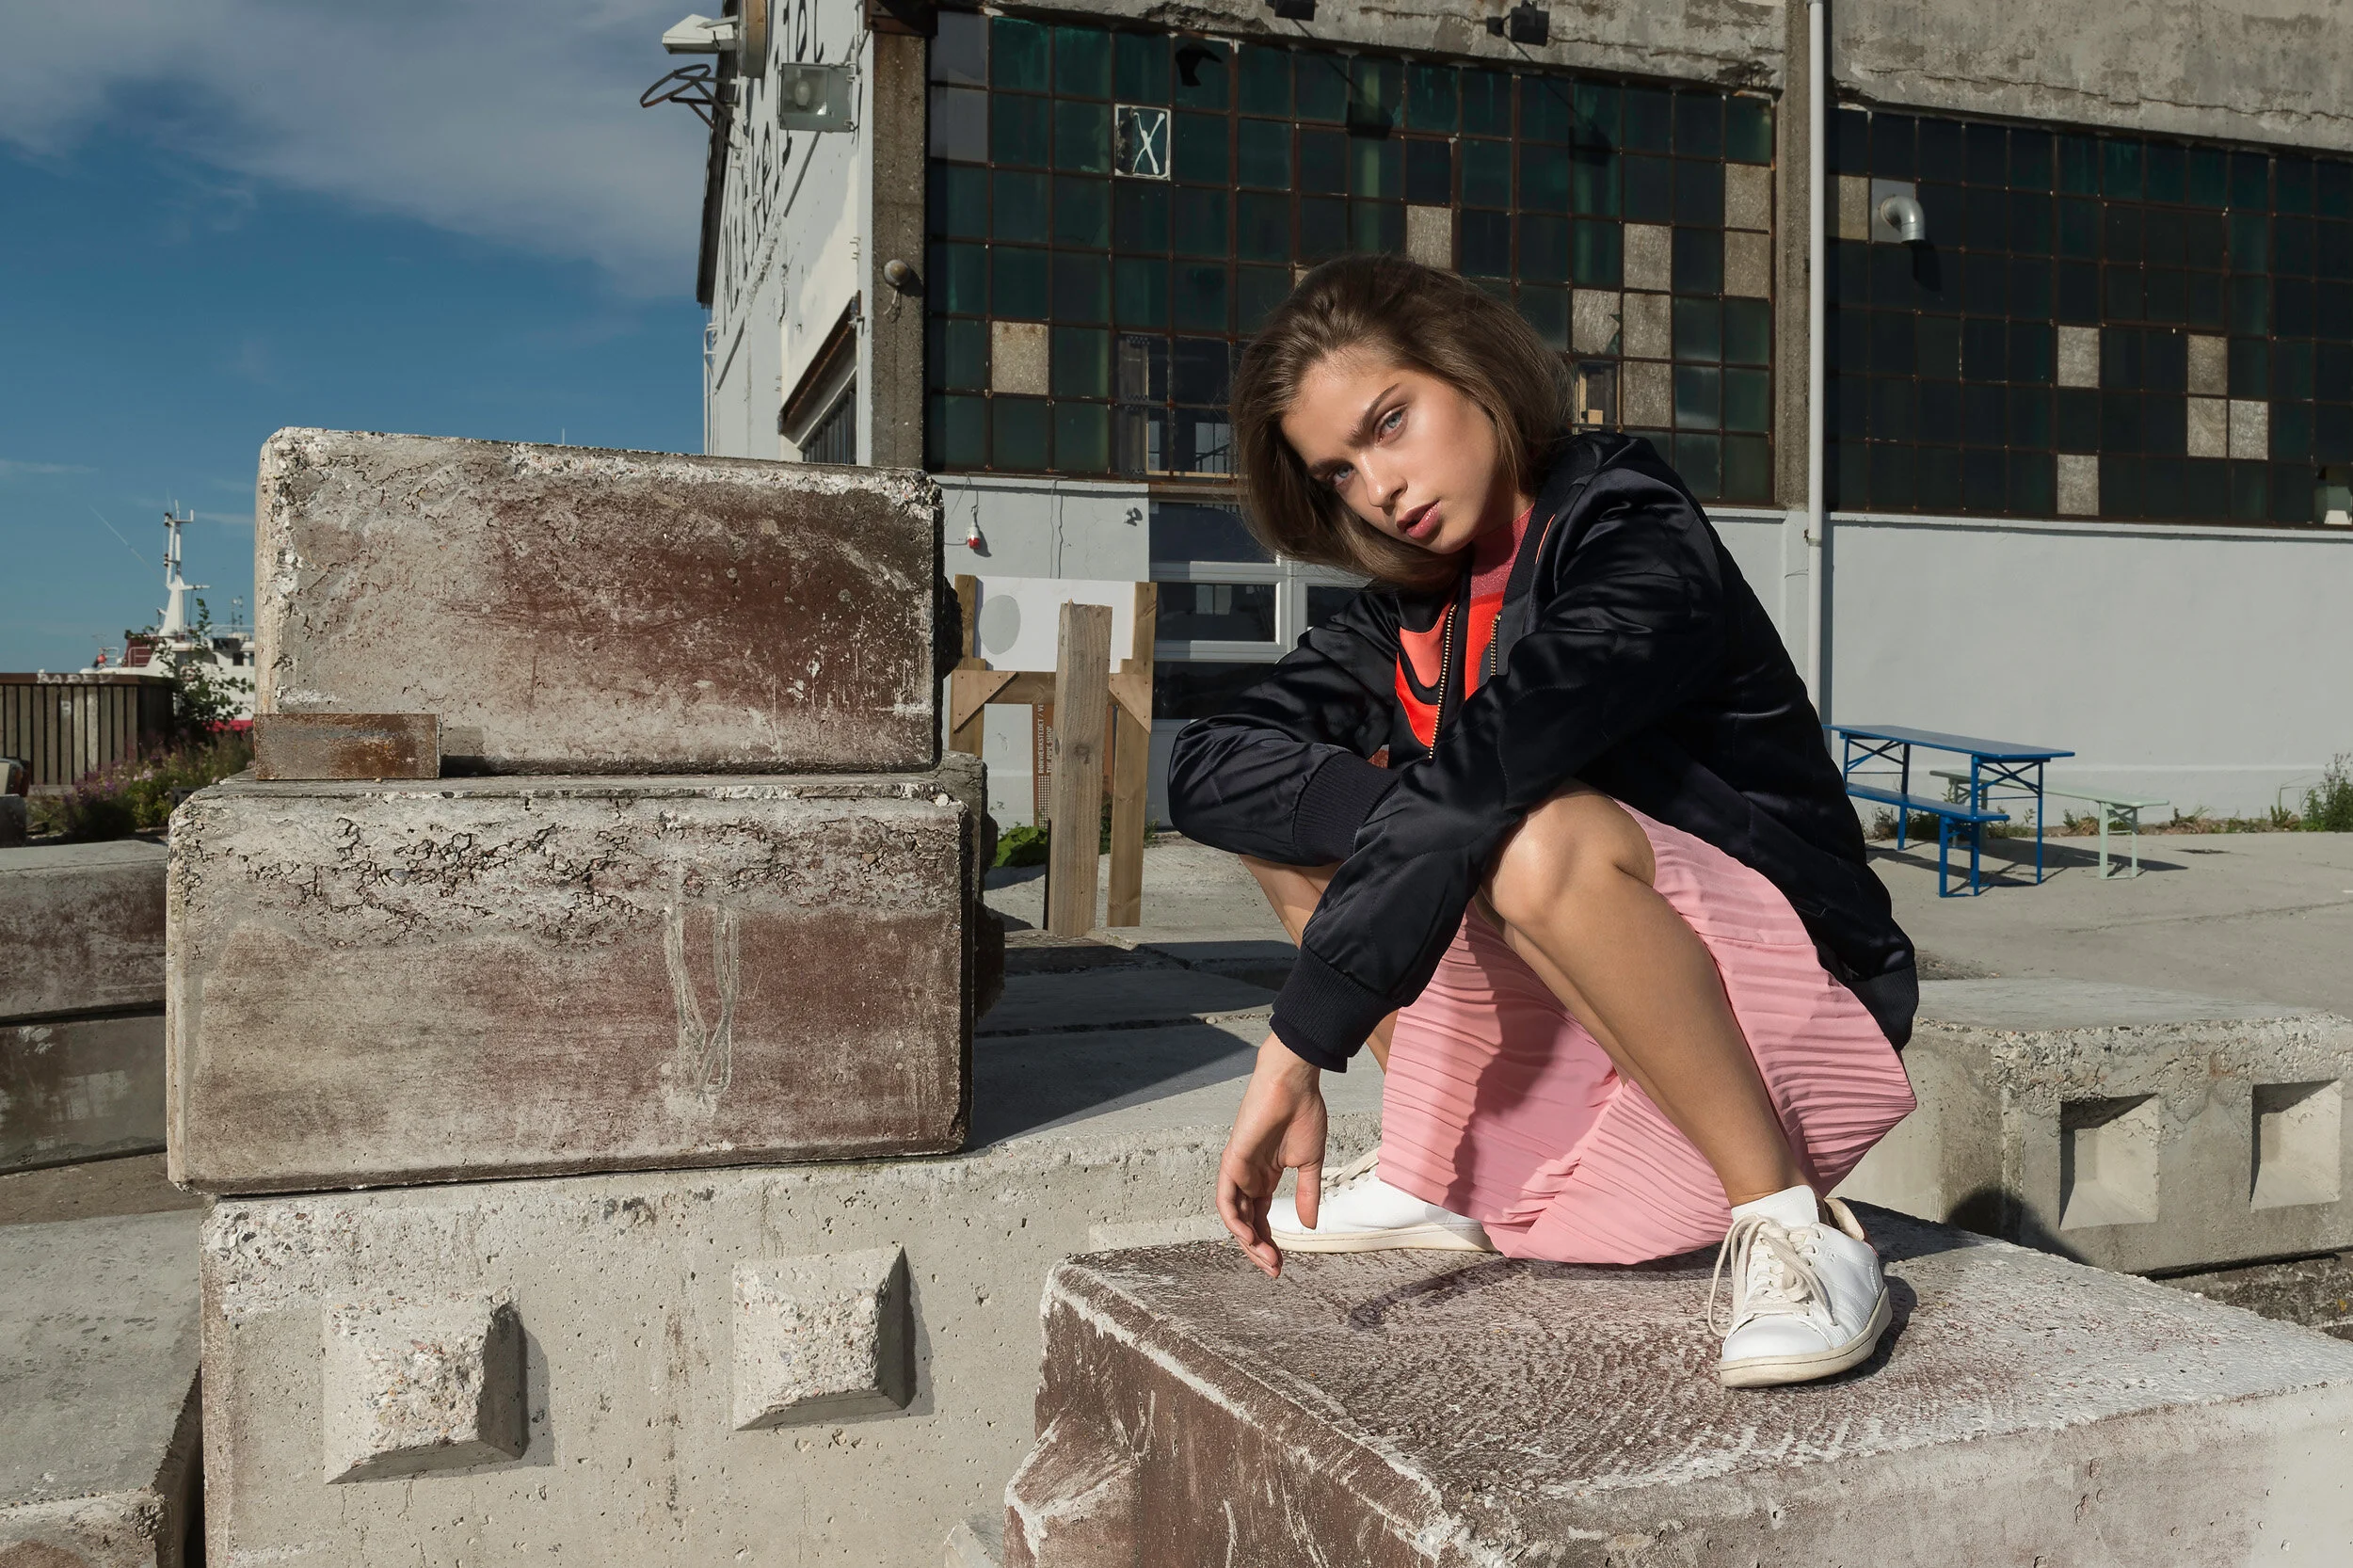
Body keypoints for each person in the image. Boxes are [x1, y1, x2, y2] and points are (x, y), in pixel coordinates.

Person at [1168, 254, 1920, 1390]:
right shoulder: (1414, 606)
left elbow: (1494, 775)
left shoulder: (1633, 536)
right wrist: (1420, 825)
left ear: (1471, 371)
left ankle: (1794, 1227)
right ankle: (1440, 1173)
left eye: (1390, 422)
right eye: (1339, 470)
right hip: (1589, 1018)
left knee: (1523, 834)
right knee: (1306, 816)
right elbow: (1211, 762)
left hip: (1791, 999)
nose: (1379, 487)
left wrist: (1299, 1040)